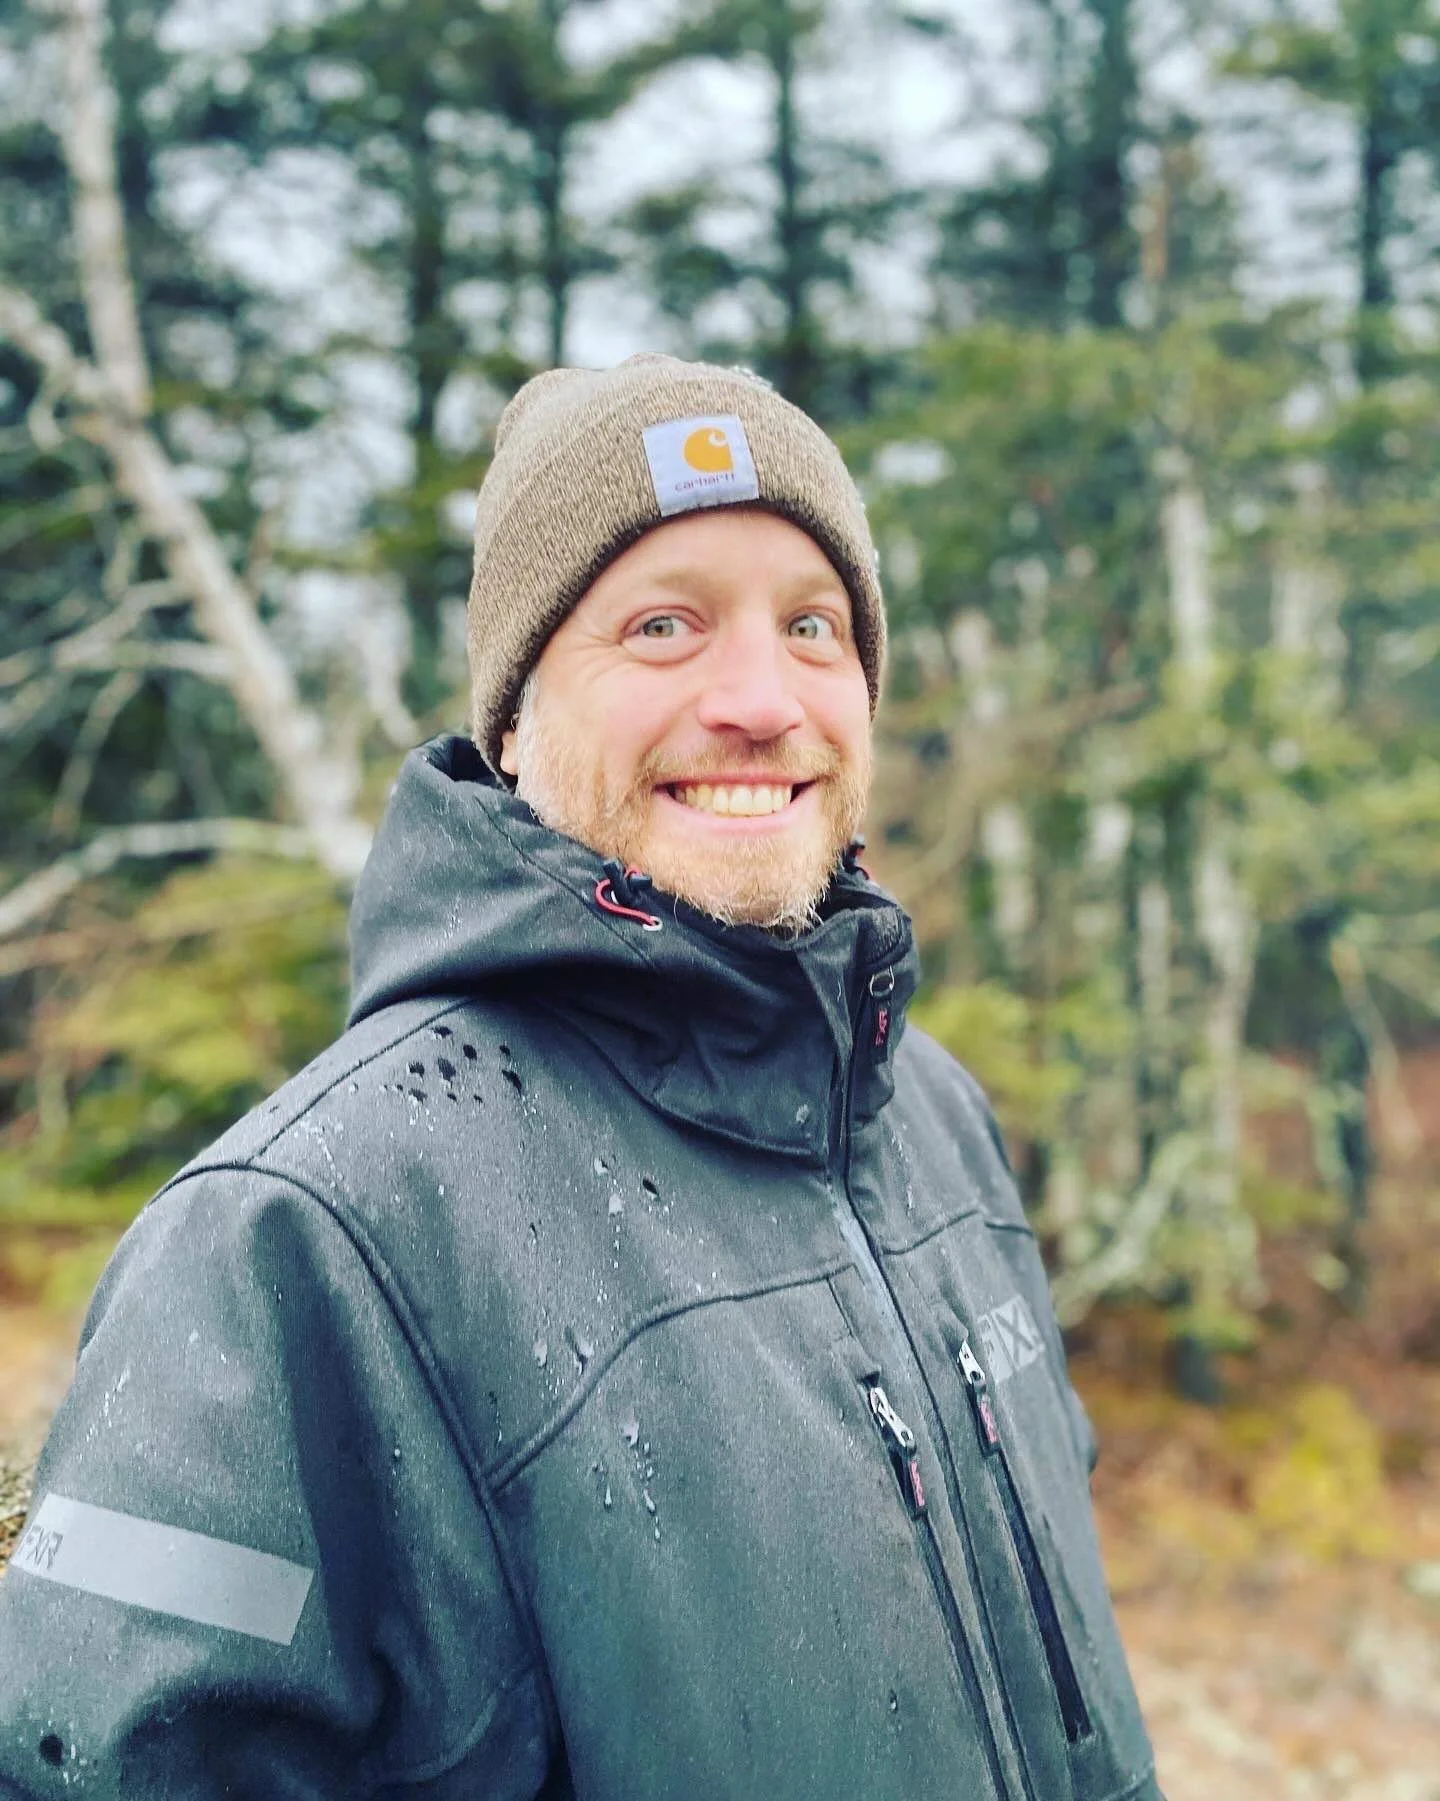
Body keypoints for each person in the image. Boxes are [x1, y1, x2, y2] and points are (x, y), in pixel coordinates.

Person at [0, 355, 1162, 1800]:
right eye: (664, 624)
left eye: (812, 624)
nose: (760, 699)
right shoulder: (301, 1234)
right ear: (515, 716)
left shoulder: (932, 1115)